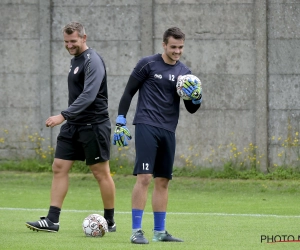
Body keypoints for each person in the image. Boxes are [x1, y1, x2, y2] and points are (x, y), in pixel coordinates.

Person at [112, 27, 202, 244]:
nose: (177, 51)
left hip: (168, 130)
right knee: (144, 178)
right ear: (164, 45)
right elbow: (128, 92)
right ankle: (136, 231)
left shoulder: (185, 73)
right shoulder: (148, 64)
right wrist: (120, 121)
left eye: (180, 47)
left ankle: (160, 232)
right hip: (146, 126)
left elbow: (191, 109)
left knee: (163, 180)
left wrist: (196, 98)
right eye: (173, 47)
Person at [26, 22, 116, 233]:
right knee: (59, 167)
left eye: (73, 41)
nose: (69, 45)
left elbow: (89, 95)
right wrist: (68, 118)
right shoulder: (75, 60)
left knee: (100, 172)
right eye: (66, 42)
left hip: (93, 124)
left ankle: (110, 221)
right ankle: (52, 220)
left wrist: (62, 115)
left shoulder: (92, 61)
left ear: (84, 38)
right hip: (74, 124)